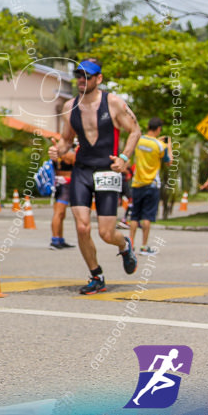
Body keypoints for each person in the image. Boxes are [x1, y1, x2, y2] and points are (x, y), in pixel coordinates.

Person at [49, 58, 140, 295]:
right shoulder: (69, 107)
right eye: (79, 75)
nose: (82, 79)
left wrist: (125, 158)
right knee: (81, 227)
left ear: (99, 79)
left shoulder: (114, 103)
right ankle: (96, 275)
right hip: (82, 170)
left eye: (87, 76)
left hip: (108, 169)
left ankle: (125, 245)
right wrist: (58, 149)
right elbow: (66, 139)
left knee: (106, 233)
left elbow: (135, 131)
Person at [128, 117, 172, 255]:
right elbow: (168, 161)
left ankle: (131, 244)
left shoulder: (138, 140)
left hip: (137, 182)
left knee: (135, 216)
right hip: (151, 184)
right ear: (159, 129)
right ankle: (144, 246)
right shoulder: (160, 145)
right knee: (146, 216)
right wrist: (168, 145)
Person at [49, 142, 76, 250]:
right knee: (58, 213)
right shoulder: (67, 153)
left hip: (59, 183)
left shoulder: (57, 152)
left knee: (61, 214)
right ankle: (55, 240)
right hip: (65, 184)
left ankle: (59, 238)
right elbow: (75, 161)